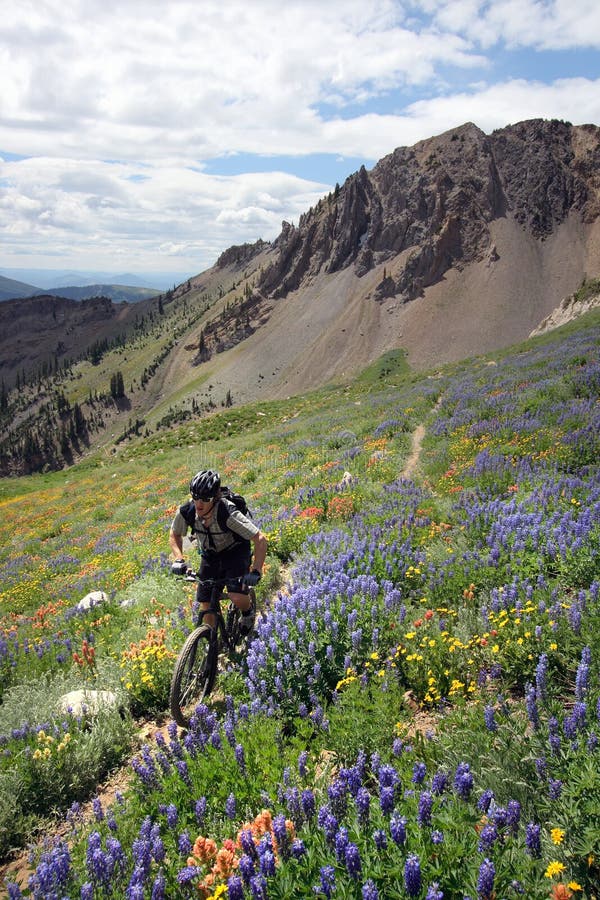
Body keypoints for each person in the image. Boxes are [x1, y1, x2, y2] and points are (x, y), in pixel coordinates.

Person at [169, 469, 267, 635]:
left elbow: (260, 539)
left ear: (215, 498)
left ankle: (248, 613)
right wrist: (179, 559)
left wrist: (256, 570)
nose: (199, 503)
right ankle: (211, 639)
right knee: (206, 602)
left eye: (205, 499)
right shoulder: (187, 511)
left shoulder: (227, 512)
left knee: (235, 595)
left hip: (235, 552)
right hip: (210, 555)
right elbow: (175, 534)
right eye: (195, 497)